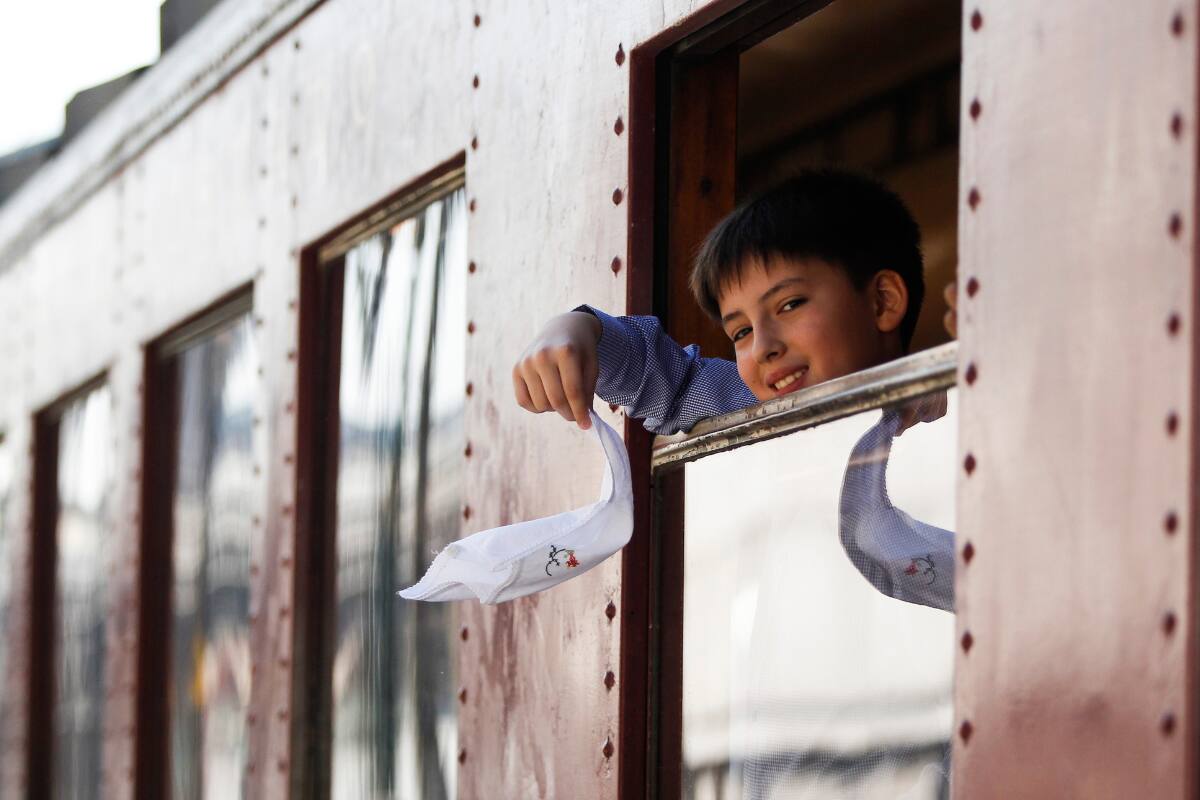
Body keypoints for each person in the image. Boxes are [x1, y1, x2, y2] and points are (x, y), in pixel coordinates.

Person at [512, 168, 954, 433]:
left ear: (882, 301)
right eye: (740, 331)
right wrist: (579, 329)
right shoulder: (744, 403)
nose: (763, 346)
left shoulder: (944, 405)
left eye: (789, 304)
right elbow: (665, 378)